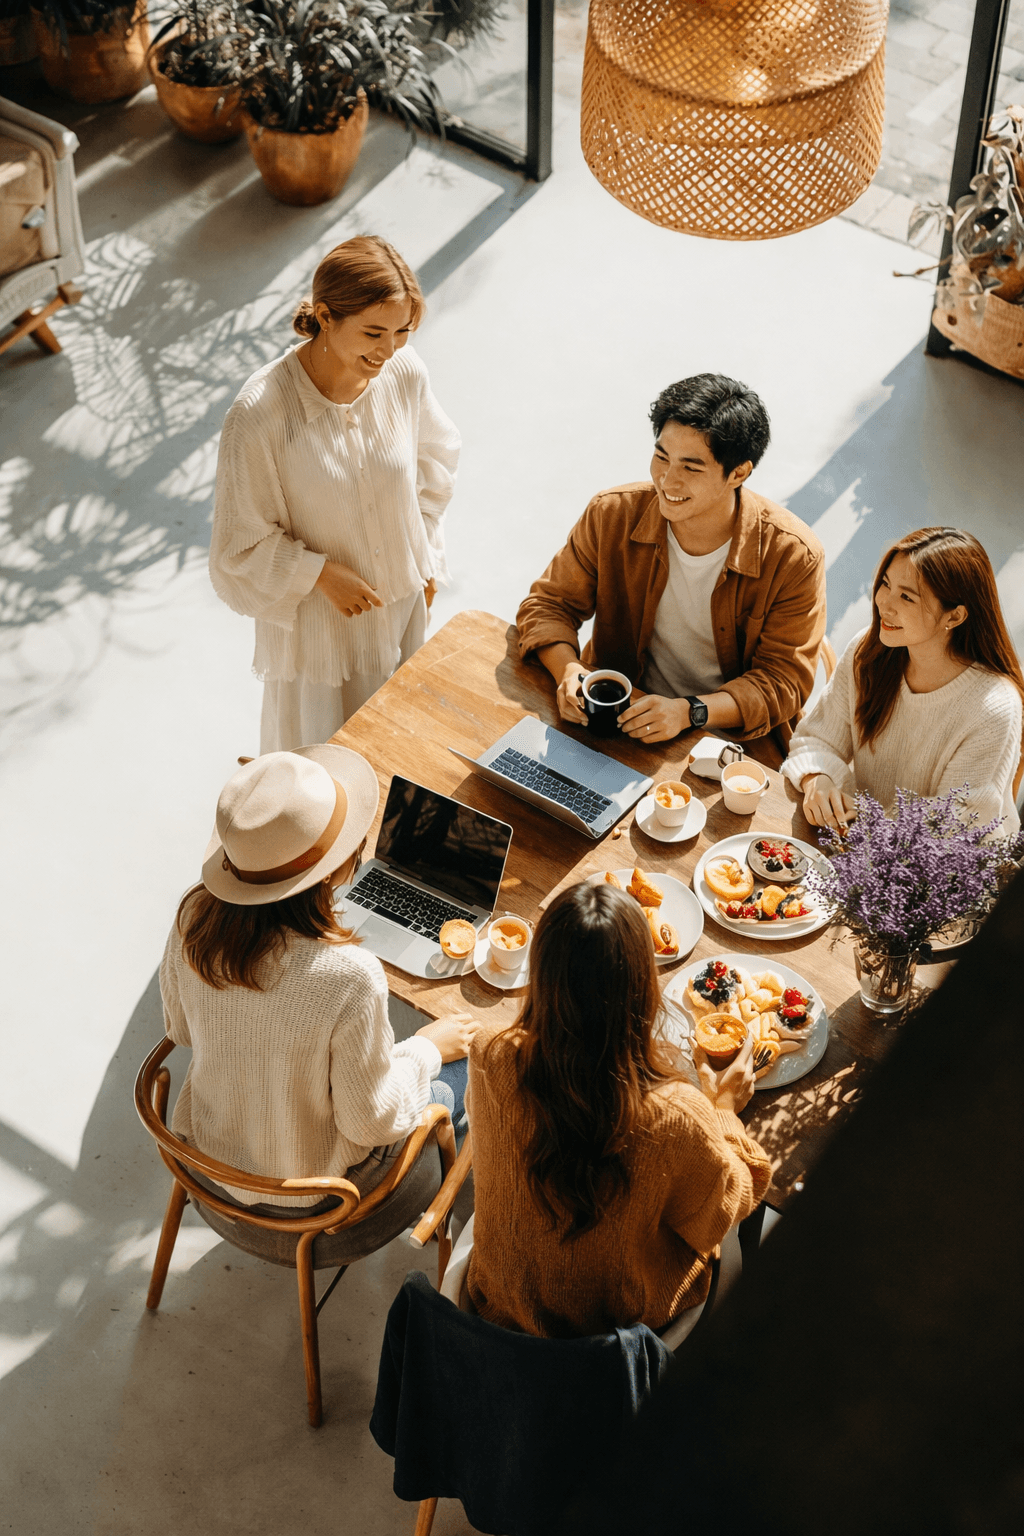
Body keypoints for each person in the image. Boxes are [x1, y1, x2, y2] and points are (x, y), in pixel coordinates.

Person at [159, 746, 477, 1211]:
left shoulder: (193, 916)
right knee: (466, 1070)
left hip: (208, 1165)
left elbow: (181, 1030)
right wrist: (425, 1049)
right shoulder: (350, 974)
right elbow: (369, 1124)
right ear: (335, 871)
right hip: (316, 1198)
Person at [463, 882, 771, 1338]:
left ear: (542, 974)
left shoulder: (491, 1054)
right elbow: (723, 1211)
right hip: (614, 1344)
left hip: (499, 1311)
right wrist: (723, 1108)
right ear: (642, 987)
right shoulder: (677, 1114)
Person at [209, 236, 460, 755]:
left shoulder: (403, 373)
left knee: (401, 753)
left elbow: (436, 460)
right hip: (324, 637)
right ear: (325, 316)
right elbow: (238, 547)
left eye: (403, 332)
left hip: (400, 609)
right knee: (323, 773)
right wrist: (320, 574)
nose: (388, 350)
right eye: (373, 332)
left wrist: (424, 553)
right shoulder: (259, 414)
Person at [516, 373, 826, 756]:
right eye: (662, 456)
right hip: (616, 719)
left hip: (725, 744)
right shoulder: (611, 514)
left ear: (739, 473)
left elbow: (783, 682)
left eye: (691, 468)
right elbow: (548, 605)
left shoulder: (793, 556)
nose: (667, 480)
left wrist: (688, 712)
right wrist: (569, 670)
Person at [782, 527, 1024, 833]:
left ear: (954, 617)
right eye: (885, 584)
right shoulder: (868, 651)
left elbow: (951, 831)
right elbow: (817, 739)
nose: (883, 603)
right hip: (852, 836)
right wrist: (818, 778)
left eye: (907, 597)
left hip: (933, 859)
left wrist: (865, 822)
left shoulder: (993, 708)